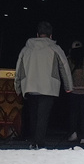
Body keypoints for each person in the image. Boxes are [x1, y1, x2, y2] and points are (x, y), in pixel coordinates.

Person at [14, 21, 73, 149]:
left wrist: (18, 87)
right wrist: (68, 87)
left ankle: (34, 141)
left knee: (33, 115)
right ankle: (39, 143)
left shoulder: (26, 49)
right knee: (43, 116)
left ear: (37, 34)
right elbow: (64, 67)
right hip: (48, 88)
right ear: (51, 36)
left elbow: (19, 69)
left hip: (30, 87)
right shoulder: (55, 49)